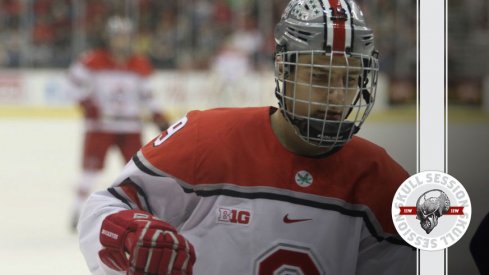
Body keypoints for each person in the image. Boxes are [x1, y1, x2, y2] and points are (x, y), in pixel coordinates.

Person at [78, 1, 416, 274]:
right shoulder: (205, 139)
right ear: (284, 70)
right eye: (320, 76)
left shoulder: (382, 179)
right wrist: (126, 234)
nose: (337, 97)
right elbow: (108, 205)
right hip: (103, 126)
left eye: (350, 79)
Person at [68, 16, 169, 230]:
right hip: (101, 127)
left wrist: (158, 115)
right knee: (90, 171)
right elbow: (72, 84)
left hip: (130, 127)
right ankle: (76, 211)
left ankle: (141, 214)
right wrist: (88, 105)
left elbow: (149, 95)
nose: (121, 41)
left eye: (125, 37)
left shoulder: (139, 64)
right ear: (109, 38)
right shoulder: (93, 60)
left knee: (136, 172)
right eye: (118, 37)